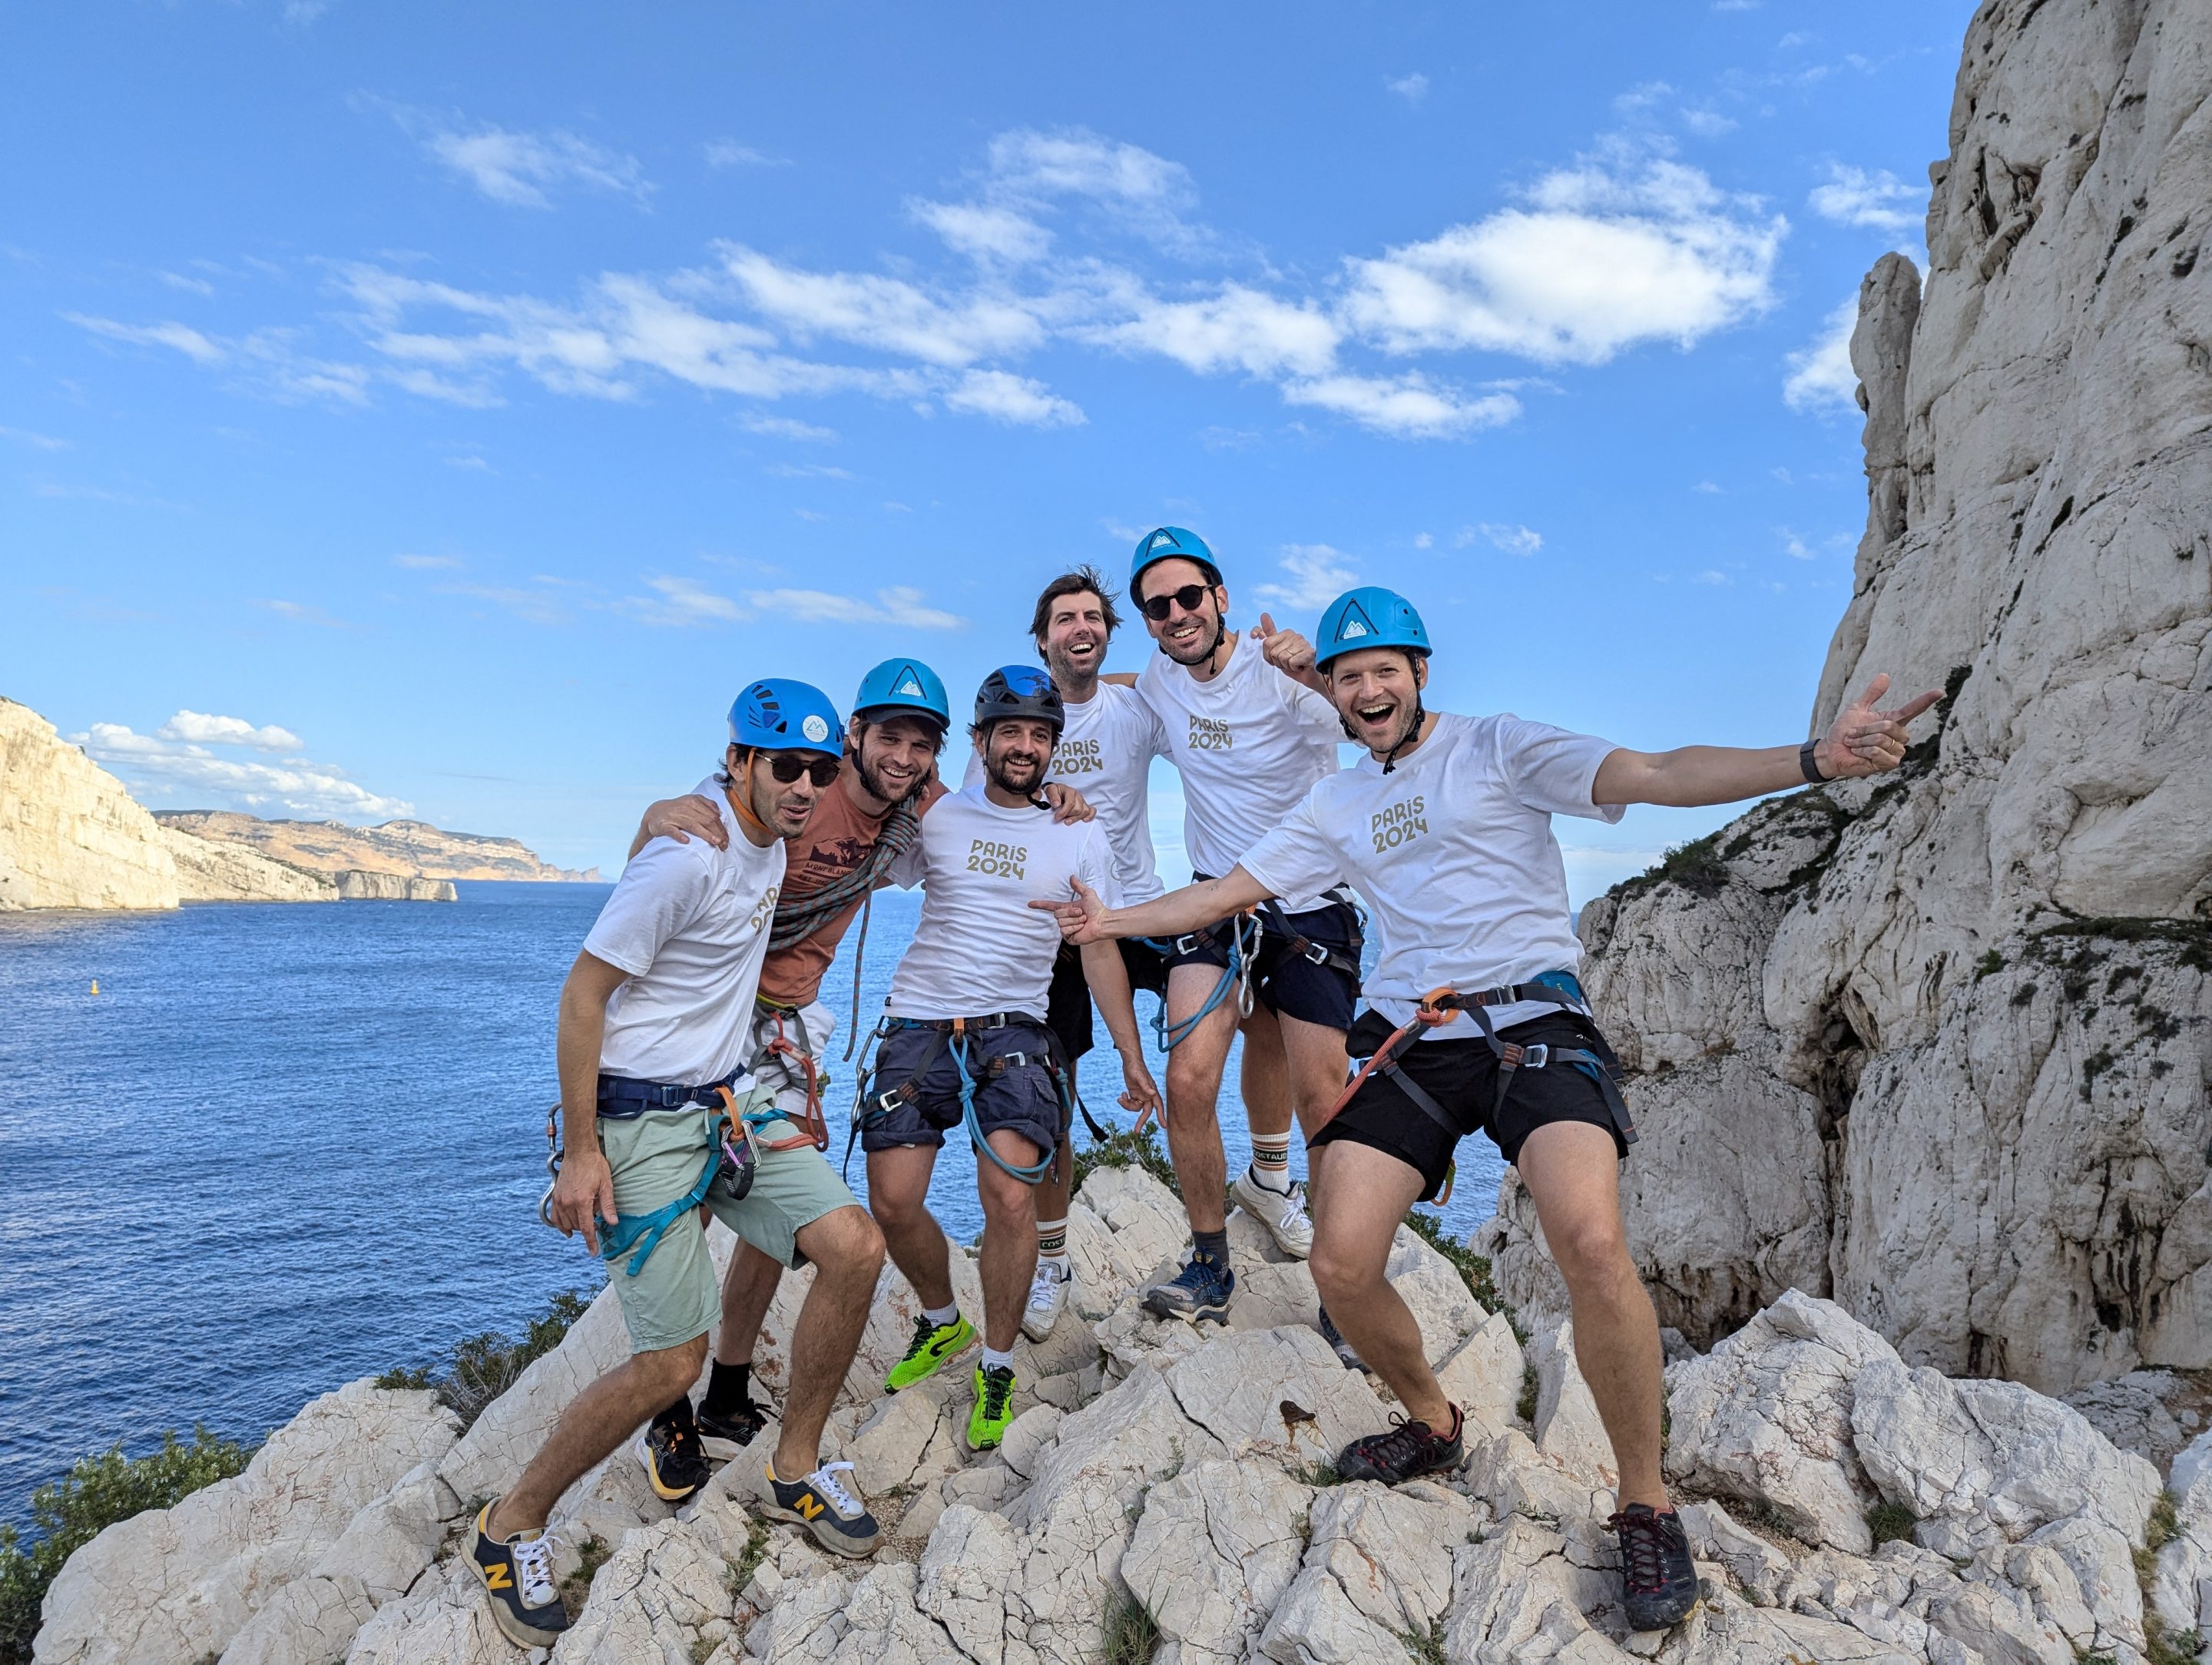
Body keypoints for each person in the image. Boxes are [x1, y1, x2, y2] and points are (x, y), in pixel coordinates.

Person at [1036, 586, 1939, 1633]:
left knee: (1590, 1241)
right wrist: (1111, 920)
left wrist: (1815, 758)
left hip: (1532, 1020)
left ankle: (1645, 1502)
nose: (1368, 689)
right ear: (1331, 691)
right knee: (1340, 1263)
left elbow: (1655, 773)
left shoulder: (1498, 747)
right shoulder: (1337, 804)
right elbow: (1225, 892)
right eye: (1348, 675)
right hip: (1417, 1035)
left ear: (1420, 673)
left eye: (1385, 669)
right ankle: (1433, 1419)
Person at [470, 680, 891, 1650]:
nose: (805, 785)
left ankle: (793, 1466)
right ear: (739, 759)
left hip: (725, 1104)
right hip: (638, 1119)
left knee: (855, 1246)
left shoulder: (763, 834)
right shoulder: (686, 852)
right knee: (672, 1361)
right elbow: (583, 996)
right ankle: (509, 1524)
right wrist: (582, 1152)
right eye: (785, 765)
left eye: (820, 769)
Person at [628, 661, 1098, 1453]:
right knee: (690, 1201)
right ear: (855, 734)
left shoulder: (923, 808)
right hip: (711, 1014)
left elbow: (998, 810)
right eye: (889, 738)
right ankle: (667, 1401)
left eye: (921, 744)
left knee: (773, 1208)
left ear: (939, 752)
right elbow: (704, 826)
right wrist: (652, 815)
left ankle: (728, 1390)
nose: (904, 757)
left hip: (788, 1026)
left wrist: (1057, 794)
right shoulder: (802, 786)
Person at [861, 667, 1158, 1452]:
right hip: (919, 1017)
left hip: (1015, 1027)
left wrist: (1131, 1056)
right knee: (892, 1201)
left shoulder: (1078, 831)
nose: (1025, 746)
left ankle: (997, 1366)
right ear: (981, 741)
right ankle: (941, 1321)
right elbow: (868, 856)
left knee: (1010, 1196)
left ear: (1053, 746)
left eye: (1039, 734)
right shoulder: (938, 814)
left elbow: (1097, 947)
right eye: (1011, 732)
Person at [1123, 526, 1357, 1346]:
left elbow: (1367, 726)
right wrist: (1056, 678)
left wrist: (1316, 674)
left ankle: (1340, 1282)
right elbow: (1113, 692)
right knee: (1188, 1078)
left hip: (1308, 899)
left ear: (1221, 596)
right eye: (1158, 606)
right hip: (1214, 898)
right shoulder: (1160, 676)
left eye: (1190, 595)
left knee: (1322, 1091)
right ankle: (1210, 1261)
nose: (1177, 614)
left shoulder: (1283, 674)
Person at [961, 568, 1172, 1342]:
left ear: (1109, 632)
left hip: (1143, 908)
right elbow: (979, 819)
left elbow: (1199, 703)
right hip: (1059, 929)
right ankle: (1052, 1259)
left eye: (1093, 617)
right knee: (1051, 1098)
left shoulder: (1138, 705)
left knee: (1213, 1034)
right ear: (1042, 637)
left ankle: (1257, 1188)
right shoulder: (1018, 721)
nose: (1081, 628)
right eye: (1064, 619)